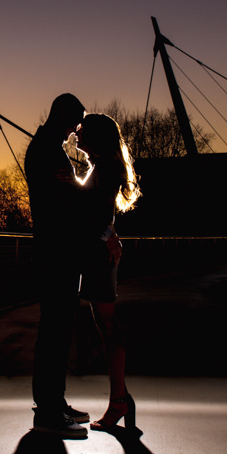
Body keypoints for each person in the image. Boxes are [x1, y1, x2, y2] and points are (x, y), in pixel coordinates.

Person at [25, 93, 92, 438]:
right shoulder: (45, 150)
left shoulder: (47, 147)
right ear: (64, 114)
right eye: (76, 120)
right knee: (54, 329)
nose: (77, 128)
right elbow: (62, 202)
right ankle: (49, 411)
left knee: (60, 329)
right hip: (56, 252)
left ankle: (55, 402)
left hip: (57, 251)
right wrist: (85, 193)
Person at [74, 112, 141, 433]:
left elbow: (96, 214)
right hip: (99, 252)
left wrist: (108, 237)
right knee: (105, 325)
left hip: (100, 256)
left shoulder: (107, 168)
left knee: (109, 326)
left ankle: (119, 401)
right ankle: (121, 399)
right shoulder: (102, 167)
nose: (76, 135)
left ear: (97, 137)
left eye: (82, 131)